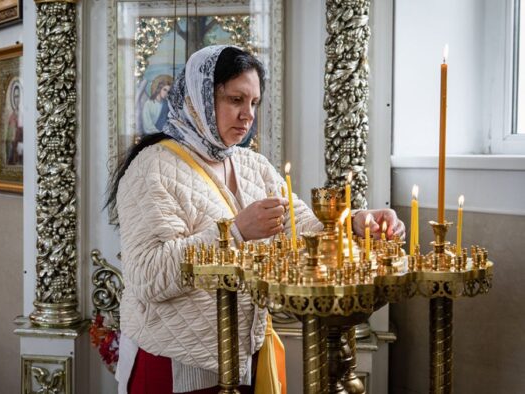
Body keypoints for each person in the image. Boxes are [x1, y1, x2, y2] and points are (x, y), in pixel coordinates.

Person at [106, 45, 404, 394]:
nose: (247, 115)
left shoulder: (252, 166)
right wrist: (235, 232)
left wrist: (354, 223)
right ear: (198, 98)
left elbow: (303, 229)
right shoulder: (152, 167)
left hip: (245, 359)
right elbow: (148, 275)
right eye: (235, 99)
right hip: (174, 367)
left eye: (253, 103)